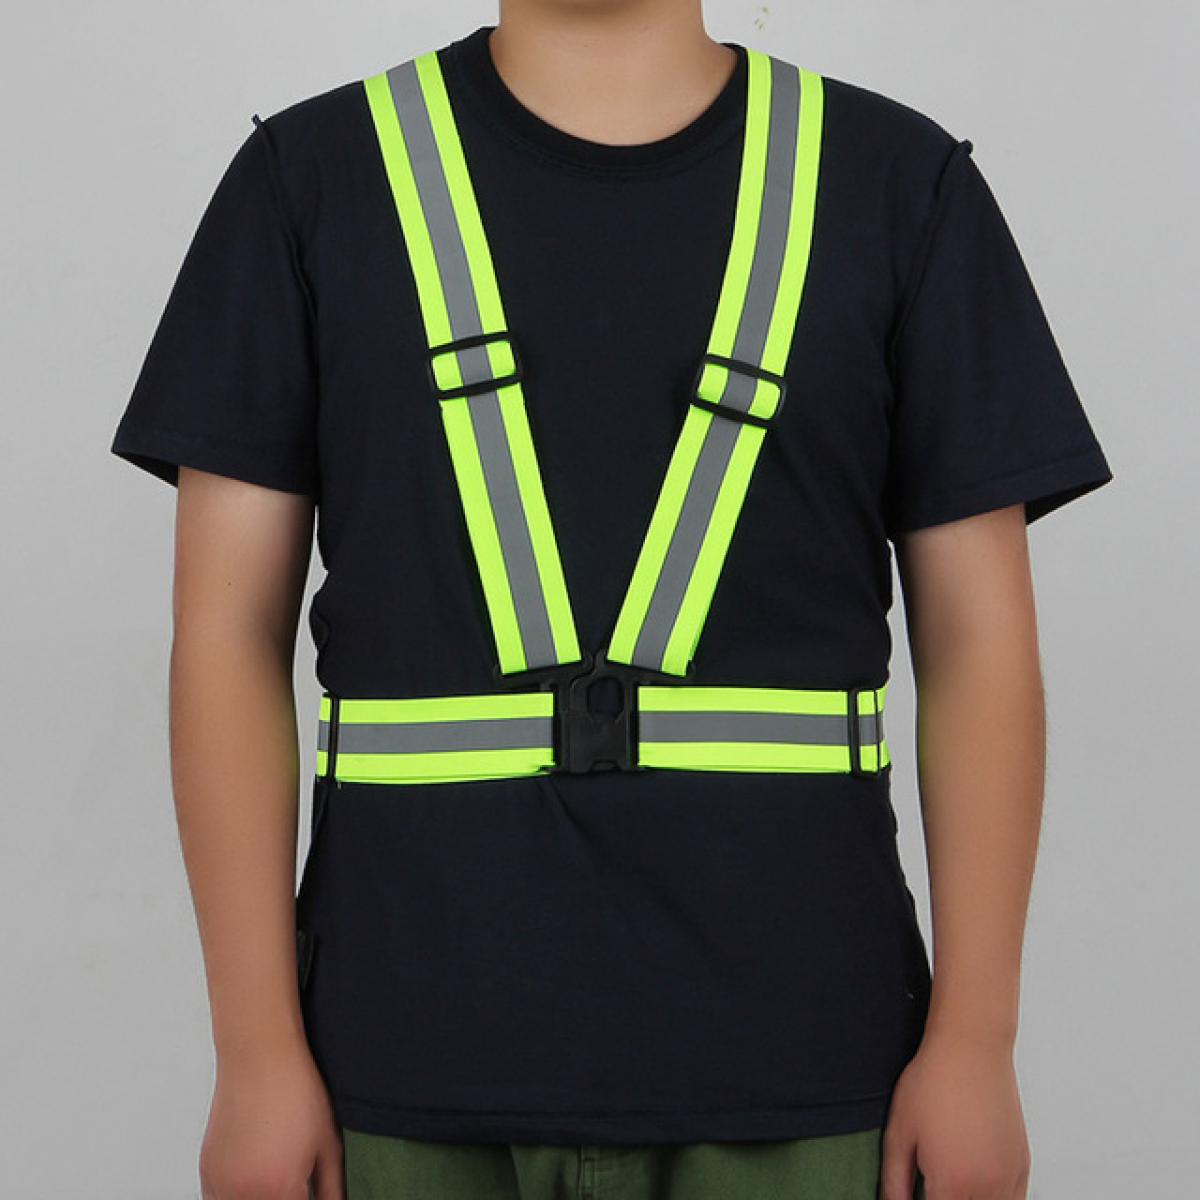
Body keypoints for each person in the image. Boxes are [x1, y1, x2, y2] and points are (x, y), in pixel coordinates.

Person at [110, 1, 1112, 1197]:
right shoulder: (307, 183)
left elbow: (979, 641)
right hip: (401, 1064)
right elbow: (225, 636)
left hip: (808, 1066)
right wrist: (254, 1051)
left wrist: (978, 1041)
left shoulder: (899, 187)